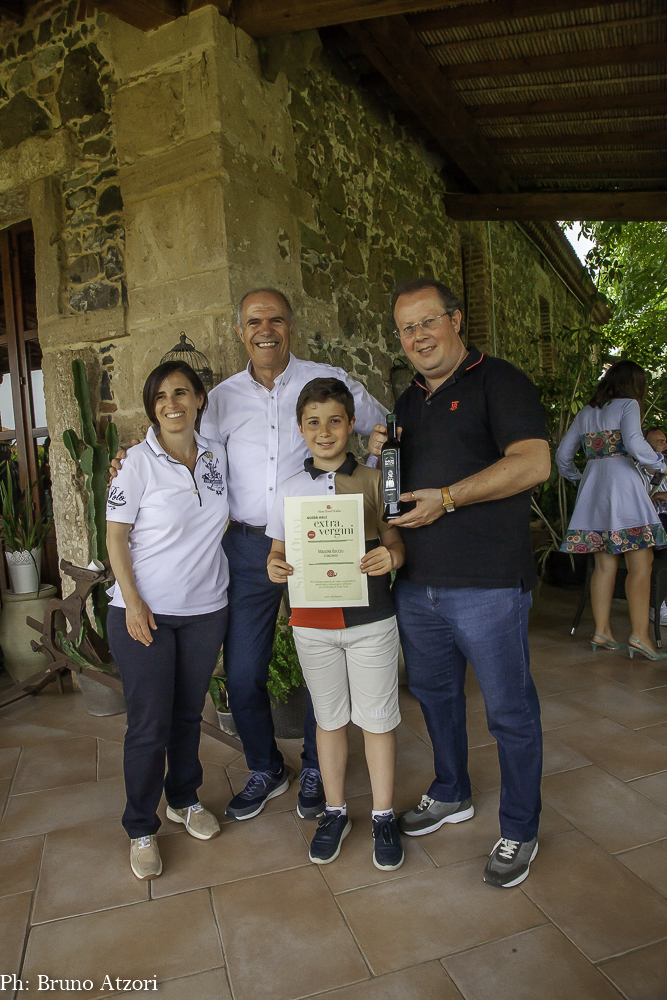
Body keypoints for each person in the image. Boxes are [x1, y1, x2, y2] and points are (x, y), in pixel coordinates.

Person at [111, 289, 386, 823]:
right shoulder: (219, 399)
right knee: (241, 673)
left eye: (276, 320)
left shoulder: (325, 379)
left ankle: (316, 766)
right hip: (245, 547)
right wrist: (129, 460)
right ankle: (265, 766)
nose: (266, 330)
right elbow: (185, 448)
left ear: (290, 325)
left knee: (320, 660)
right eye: (254, 321)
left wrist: (373, 469)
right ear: (240, 331)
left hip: (317, 537)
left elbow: (384, 426)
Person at [372, 277, 552, 888]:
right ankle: (451, 790)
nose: (418, 336)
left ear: (454, 321)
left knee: (509, 710)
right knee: (435, 696)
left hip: (488, 584)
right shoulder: (407, 402)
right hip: (418, 584)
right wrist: (381, 455)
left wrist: (448, 498)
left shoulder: (499, 381)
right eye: (406, 328)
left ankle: (520, 827)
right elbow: (395, 490)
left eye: (428, 321)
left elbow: (533, 463)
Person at [266, 378, 406, 870]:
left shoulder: (373, 479)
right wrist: (274, 565)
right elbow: (277, 550)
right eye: (313, 422)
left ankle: (384, 815)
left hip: (371, 619)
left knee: (378, 720)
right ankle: (335, 810)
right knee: (328, 720)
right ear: (300, 428)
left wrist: (391, 556)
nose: (324, 431)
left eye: (334, 421)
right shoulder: (288, 489)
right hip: (312, 623)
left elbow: (396, 540)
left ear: (351, 425)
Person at [106, 361, 230, 880]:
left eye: (181, 392)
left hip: (205, 610)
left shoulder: (218, 455)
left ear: (200, 399)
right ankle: (140, 826)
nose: (171, 403)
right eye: (160, 396)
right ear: (151, 407)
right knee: (149, 724)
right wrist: (134, 602)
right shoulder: (135, 462)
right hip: (145, 614)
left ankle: (183, 798)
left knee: (186, 715)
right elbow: (115, 538)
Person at [556, 361, 667, 660]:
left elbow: (563, 455)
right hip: (623, 485)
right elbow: (634, 443)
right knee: (641, 562)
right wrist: (660, 463)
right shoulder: (628, 404)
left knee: (604, 565)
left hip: (594, 488)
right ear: (634, 383)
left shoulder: (586, 412)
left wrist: (579, 478)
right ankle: (640, 635)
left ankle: (602, 630)